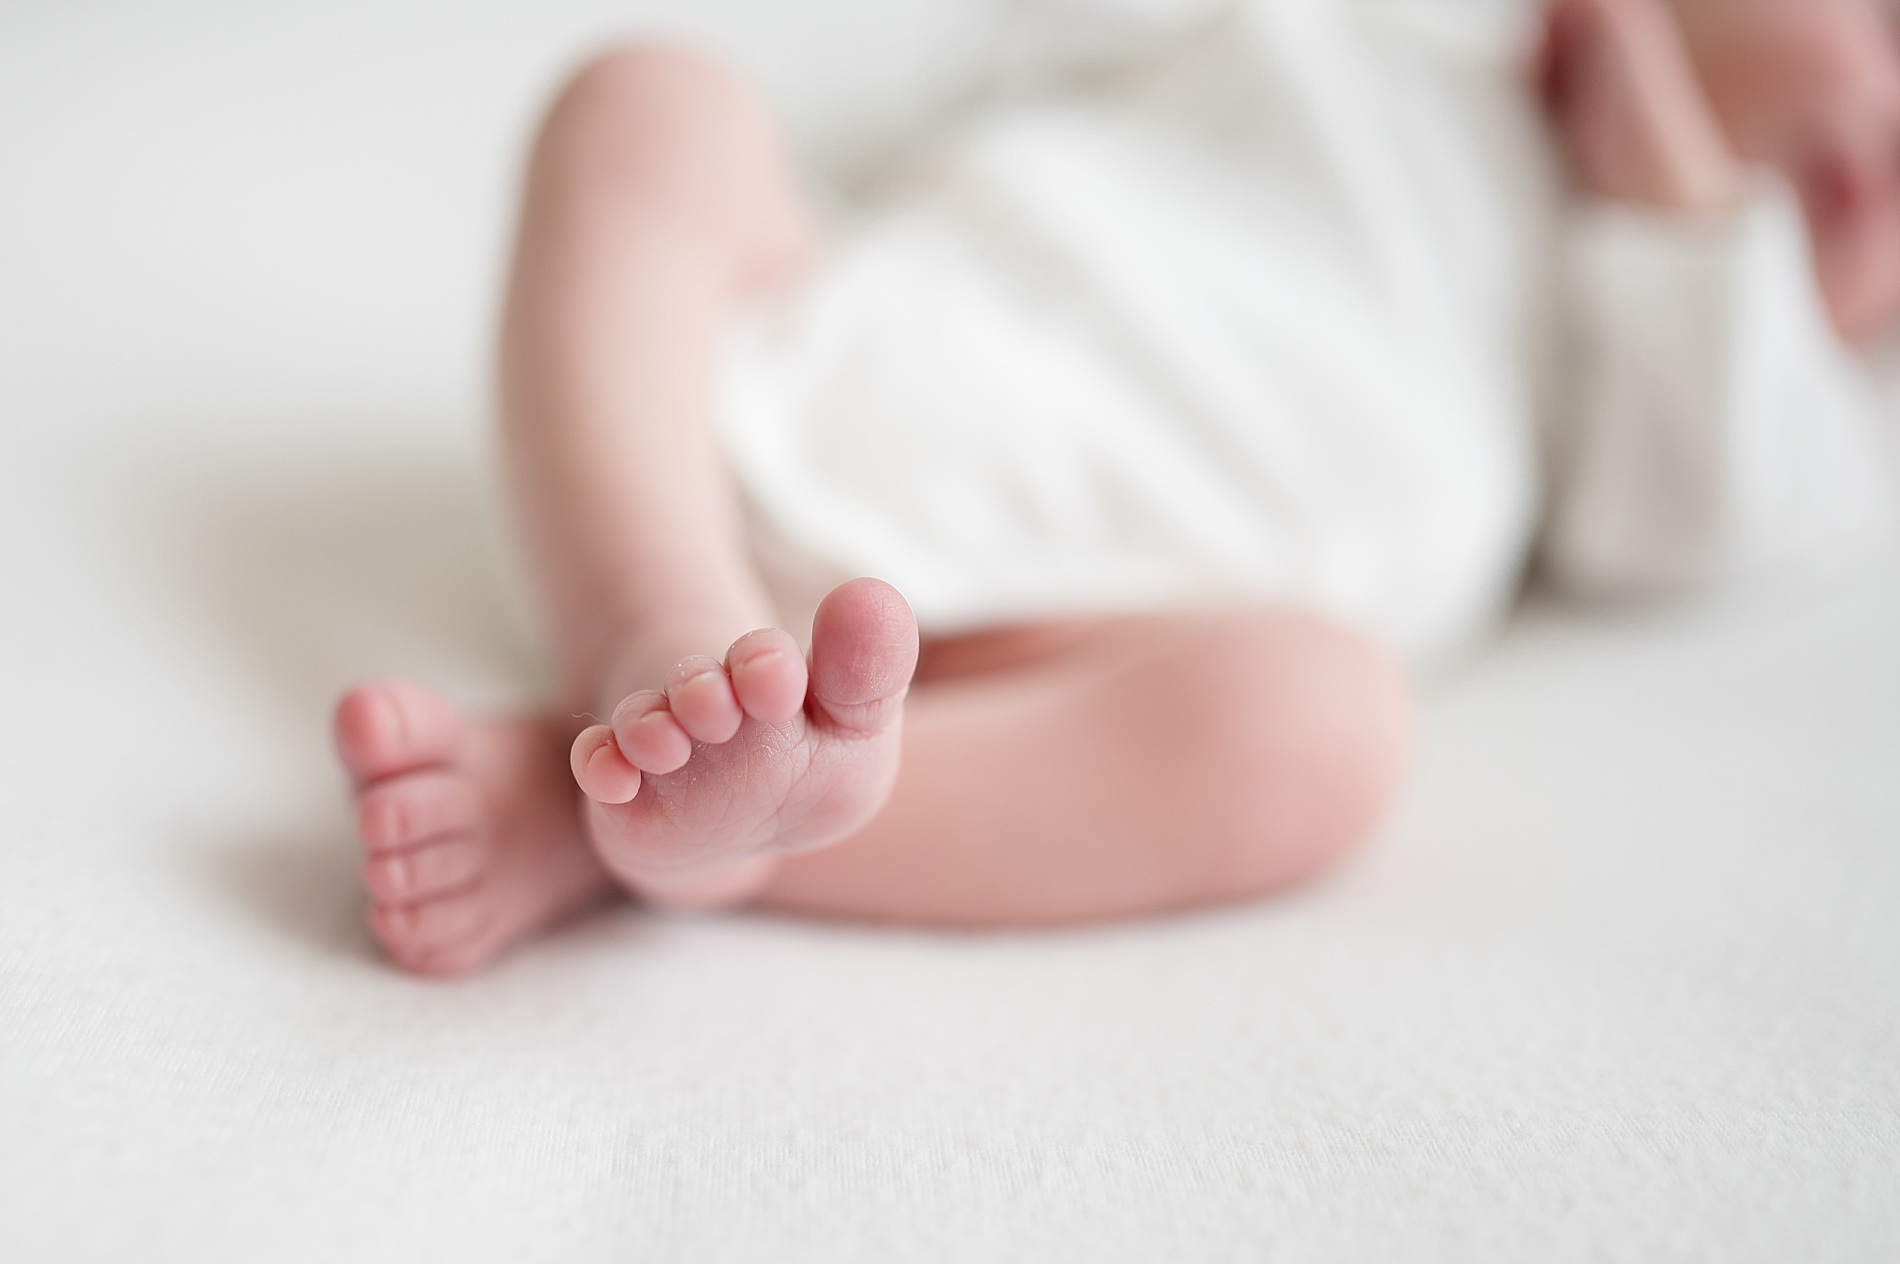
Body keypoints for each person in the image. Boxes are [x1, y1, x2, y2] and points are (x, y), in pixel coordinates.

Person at [332, 0, 1900, 974]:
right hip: (848, 351)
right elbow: (1021, 56)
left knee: (1330, 730)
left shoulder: (1680, 325)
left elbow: (1711, 519)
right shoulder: (1386, 30)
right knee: (648, 101)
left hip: (1060, 639)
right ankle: (655, 626)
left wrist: (1680, 198)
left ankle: (689, 812)